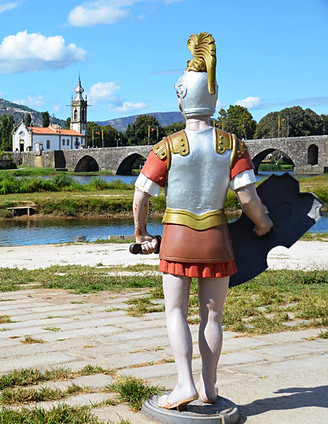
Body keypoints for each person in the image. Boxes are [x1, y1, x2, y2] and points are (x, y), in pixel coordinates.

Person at [132, 32, 273, 410]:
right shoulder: (233, 145)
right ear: (213, 95)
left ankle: (184, 384)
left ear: (181, 97)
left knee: (175, 311)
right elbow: (248, 197)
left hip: (177, 236)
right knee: (214, 314)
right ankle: (209, 388)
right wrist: (263, 225)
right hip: (216, 238)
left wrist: (142, 232)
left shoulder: (167, 147)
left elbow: (141, 193)